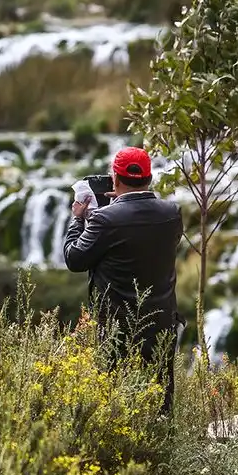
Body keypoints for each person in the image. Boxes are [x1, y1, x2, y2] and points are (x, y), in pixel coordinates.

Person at [63, 147, 183, 415]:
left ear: (115, 180)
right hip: (162, 321)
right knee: (161, 396)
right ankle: (163, 445)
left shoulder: (103, 219)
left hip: (117, 325)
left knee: (114, 399)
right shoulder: (172, 212)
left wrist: (78, 218)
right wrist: (116, 206)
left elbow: (75, 260)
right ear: (149, 178)